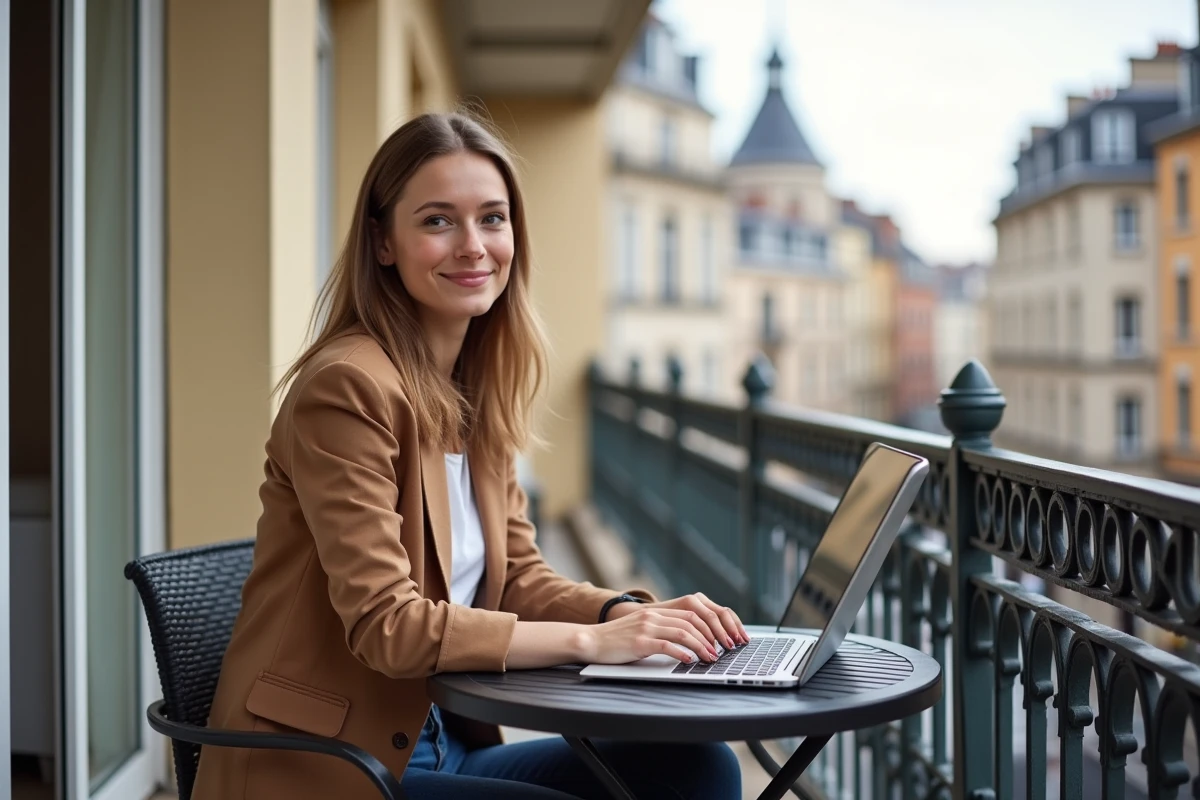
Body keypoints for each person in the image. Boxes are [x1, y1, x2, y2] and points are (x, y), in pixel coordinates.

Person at [192, 111, 746, 800]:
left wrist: (625, 617)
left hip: (439, 740)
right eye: (436, 221)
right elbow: (386, 626)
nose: (473, 246)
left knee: (700, 767)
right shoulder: (346, 389)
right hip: (329, 762)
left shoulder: (474, 392)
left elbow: (516, 579)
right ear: (383, 242)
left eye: (492, 218)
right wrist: (590, 645)